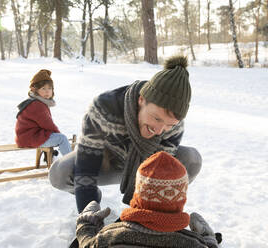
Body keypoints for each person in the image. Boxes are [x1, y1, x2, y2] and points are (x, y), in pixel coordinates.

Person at [49, 55, 202, 212]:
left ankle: (157, 208)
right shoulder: (104, 107)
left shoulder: (173, 124)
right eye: (156, 118)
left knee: (192, 159)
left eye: (169, 125)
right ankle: (94, 195)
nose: (159, 130)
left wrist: (144, 221)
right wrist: (89, 215)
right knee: (60, 172)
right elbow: (85, 166)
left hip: (145, 169)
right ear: (141, 100)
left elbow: (159, 174)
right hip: (107, 161)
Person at [74, 151, 220, 248]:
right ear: (180, 198)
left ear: (138, 193)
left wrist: (86, 224)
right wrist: (209, 239)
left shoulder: (111, 237)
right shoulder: (193, 243)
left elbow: (87, 244)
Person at [15, 69, 71, 156]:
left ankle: (53, 159)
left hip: (28, 136)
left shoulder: (37, 102)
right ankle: (72, 165)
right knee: (62, 139)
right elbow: (48, 125)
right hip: (29, 138)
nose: (47, 91)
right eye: (43, 88)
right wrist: (58, 134)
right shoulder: (37, 105)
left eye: (50, 88)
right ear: (36, 90)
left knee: (56, 136)